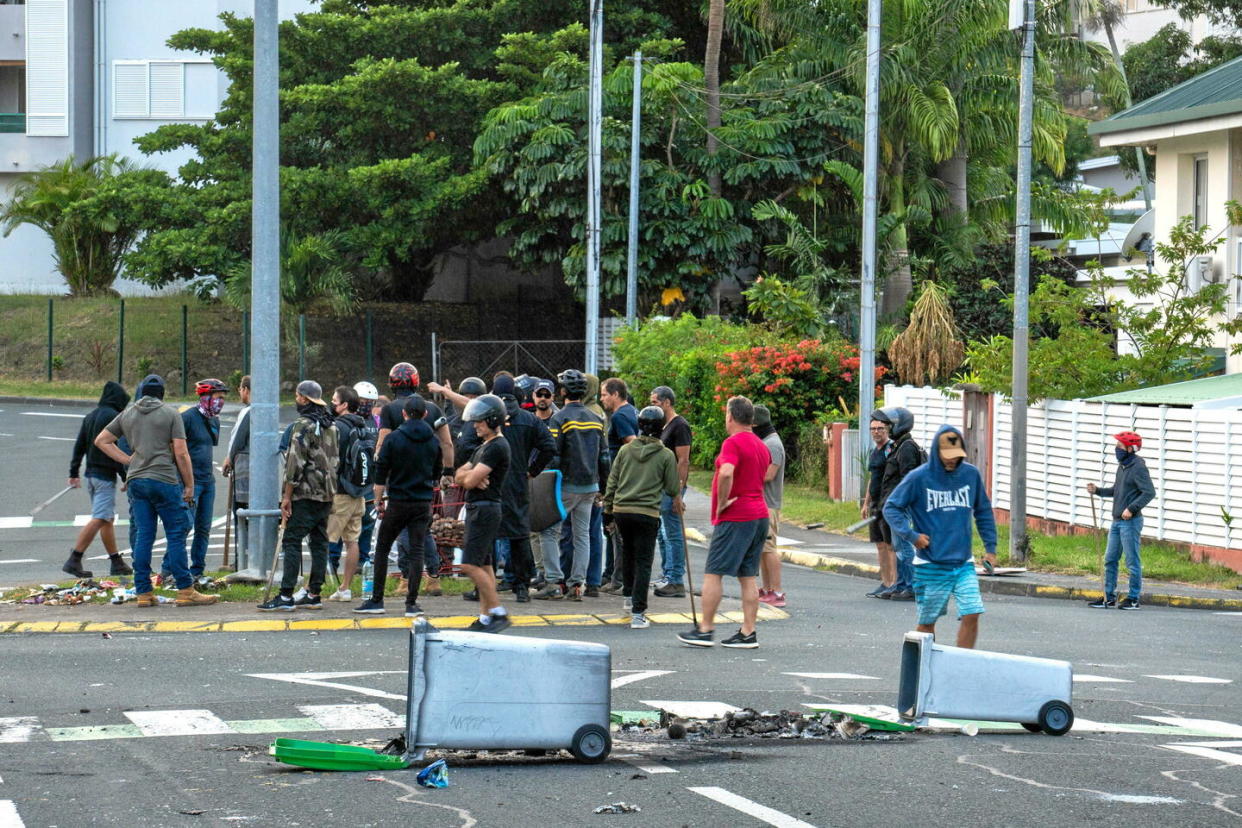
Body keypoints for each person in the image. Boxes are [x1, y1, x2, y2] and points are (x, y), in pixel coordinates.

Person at [94, 374, 217, 607]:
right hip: (163, 479)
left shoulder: (128, 414)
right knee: (176, 533)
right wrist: (189, 485)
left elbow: (102, 440)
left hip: (137, 482)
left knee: (144, 535)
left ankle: (143, 592)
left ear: (141, 391)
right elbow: (181, 452)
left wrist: (129, 461)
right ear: (162, 393)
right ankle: (185, 589)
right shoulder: (171, 414)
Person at [883, 426, 998, 649]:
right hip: (930, 564)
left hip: (963, 562)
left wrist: (990, 549)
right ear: (937, 452)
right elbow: (892, 508)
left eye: (956, 457)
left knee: (972, 612)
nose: (951, 462)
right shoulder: (919, 478)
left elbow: (983, 511)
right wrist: (912, 535)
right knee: (927, 624)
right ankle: (921, 666)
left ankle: (961, 663)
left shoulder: (970, 475)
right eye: (947, 457)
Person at [677, 396, 769, 649]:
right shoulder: (761, 445)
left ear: (730, 416)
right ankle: (748, 631)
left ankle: (705, 629)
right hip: (759, 514)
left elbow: (727, 471)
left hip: (736, 514)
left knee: (714, 571)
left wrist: (722, 502)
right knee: (748, 575)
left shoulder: (733, 443)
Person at [458, 375, 556, 602]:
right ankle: (522, 587)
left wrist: (475, 467)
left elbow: (466, 444)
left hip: (489, 482)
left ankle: (482, 587)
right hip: (518, 484)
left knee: (487, 537)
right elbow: (549, 447)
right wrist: (532, 470)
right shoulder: (529, 420)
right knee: (519, 535)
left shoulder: (487, 416)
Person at [356, 394, 442, 616]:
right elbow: (437, 472)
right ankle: (411, 603)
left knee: (383, 548)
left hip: (398, 501)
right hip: (422, 503)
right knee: (417, 551)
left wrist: (378, 500)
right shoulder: (433, 440)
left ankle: (377, 600)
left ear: (403, 414)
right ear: (425, 414)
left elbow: (381, 472)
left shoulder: (393, 439)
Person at [259, 380, 339, 612]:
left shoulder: (302, 425)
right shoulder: (330, 425)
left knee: (292, 540)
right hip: (327, 493)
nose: (296, 399)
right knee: (319, 542)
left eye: (297, 396)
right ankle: (314, 593)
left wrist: (287, 495)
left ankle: (285, 596)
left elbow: (295, 463)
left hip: (305, 493)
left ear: (304, 398)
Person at [604, 406, 681, 629]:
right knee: (644, 561)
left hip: (622, 510)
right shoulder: (666, 455)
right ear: (661, 428)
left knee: (627, 554)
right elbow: (672, 487)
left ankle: (628, 599)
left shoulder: (625, 451)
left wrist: (608, 511)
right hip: (647, 512)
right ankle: (639, 613)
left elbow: (613, 481)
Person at [539, 369, 610, 601]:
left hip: (565, 486)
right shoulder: (597, 419)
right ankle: (577, 584)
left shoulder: (559, 418)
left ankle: (553, 581)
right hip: (590, 487)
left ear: (562, 392)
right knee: (583, 535)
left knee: (549, 531)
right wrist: (604, 487)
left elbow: (554, 455)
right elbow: (604, 456)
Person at [454, 394, 513, 632]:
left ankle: (498, 613)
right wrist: (468, 478)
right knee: (485, 564)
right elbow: (461, 475)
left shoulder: (497, 447)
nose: (475, 425)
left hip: (485, 509)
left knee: (469, 565)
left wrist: (469, 479)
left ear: (492, 419)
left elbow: (468, 481)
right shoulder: (483, 447)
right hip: (479, 509)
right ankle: (486, 616)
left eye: (479, 421)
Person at [66, 381, 133, 578]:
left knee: (107, 519)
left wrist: (73, 472)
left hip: (91, 476)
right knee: (100, 517)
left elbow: (79, 446)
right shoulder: (114, 417)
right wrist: (125, 476)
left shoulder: (90, 416)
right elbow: (117, 450)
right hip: (105, 476)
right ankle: (74, 559)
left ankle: (116, 562)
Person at [1087, 431, 1155, 611]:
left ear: (1130, 449)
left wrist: (1131, 509)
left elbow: (1149, 492)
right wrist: (1098, 491)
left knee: (1132, 561)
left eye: (1119, 446)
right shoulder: (1122, 466)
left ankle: (1133, 598)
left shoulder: (1138, 467)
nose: (1116, 449)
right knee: (1110, 559)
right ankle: (1108, 597)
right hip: (1117, 521)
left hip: (1130, 522)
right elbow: (1117, 490)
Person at [328, 380, 381, 593]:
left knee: (326, 541)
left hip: (341, 492)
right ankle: (345, 588)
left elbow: (331, 460)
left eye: (334, 401)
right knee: (353, 542)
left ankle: (313, 589)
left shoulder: (337, 427)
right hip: (361, 492)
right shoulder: (365, 426)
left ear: (344, 404)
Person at [873, 406, 924, 600]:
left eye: (889, 424)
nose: (886, 427)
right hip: (893, 506)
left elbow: (907, 479)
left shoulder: (908, 447)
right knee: (897, 546)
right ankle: (901, 584)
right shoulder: (898, 445)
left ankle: (911, 587)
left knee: (904, 547)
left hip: (901, 506)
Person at [180, 378, 227, 586]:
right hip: (191, 481)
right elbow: (178, 449)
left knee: (203, 528)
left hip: (208, 481)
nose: (221, 402)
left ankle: (197, 570)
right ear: (205, 397)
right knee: (183, 526)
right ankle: (170, 569)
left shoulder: (213, 420)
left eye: (223, 398)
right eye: (218, 397)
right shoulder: (187, 418)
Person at [650, 386, 691, 598]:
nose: (652, 405)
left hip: (672, 488)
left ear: (667, 402)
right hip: (661, 487)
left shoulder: (680, 426)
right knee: (662, 532)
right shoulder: (662, 425)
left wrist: (678, 491)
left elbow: (683, 460)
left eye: (655, 402)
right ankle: (667, 574)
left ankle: (676, 579)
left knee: (673, 532)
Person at [600, 378, 638, 593]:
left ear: (615, 394)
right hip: (624, 478)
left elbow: (632, 444)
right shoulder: (632, 411)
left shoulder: (621, 416)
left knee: (617, 530)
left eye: (604, 394)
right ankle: (615, 575)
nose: (602, 399)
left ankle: (620, 579)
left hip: (621, 479)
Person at [377, 362, 453, 468]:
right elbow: (447, 443)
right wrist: (448, 471)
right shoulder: (433, 408)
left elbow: (382, 444)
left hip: (398, 474)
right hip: (428, 471)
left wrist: (379, 474)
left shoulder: (389, 409)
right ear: (416, 381)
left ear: (391, 383)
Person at [754, 405, 787, 608]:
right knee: (762, 549)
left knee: (769, 548)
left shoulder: (773, 444)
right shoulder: (766, 441)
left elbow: (769, 474)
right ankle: (766, 589)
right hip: (761, 503)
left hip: (769, 503)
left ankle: (776, 590)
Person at [861, 416, 896, 597]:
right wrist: (866, 502)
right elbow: (872, 479)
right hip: (875, 503)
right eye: (873, 429)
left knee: (890, 544)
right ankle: (885, 581)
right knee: (880, 544)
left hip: (887, 503)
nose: (876, 432)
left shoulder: (890, 449)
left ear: (887, 429)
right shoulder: (875, 452)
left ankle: (894, 583)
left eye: (880, 428)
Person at [222, 375, 251, 570]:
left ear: (246, 390)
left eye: (240, 389)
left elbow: (237, 440)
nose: (239, 393)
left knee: (241, 513)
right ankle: (246, 558)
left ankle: (242, 559)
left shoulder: (248, 412)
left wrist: (228, 459)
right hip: (256, 473)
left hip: (244, 471)